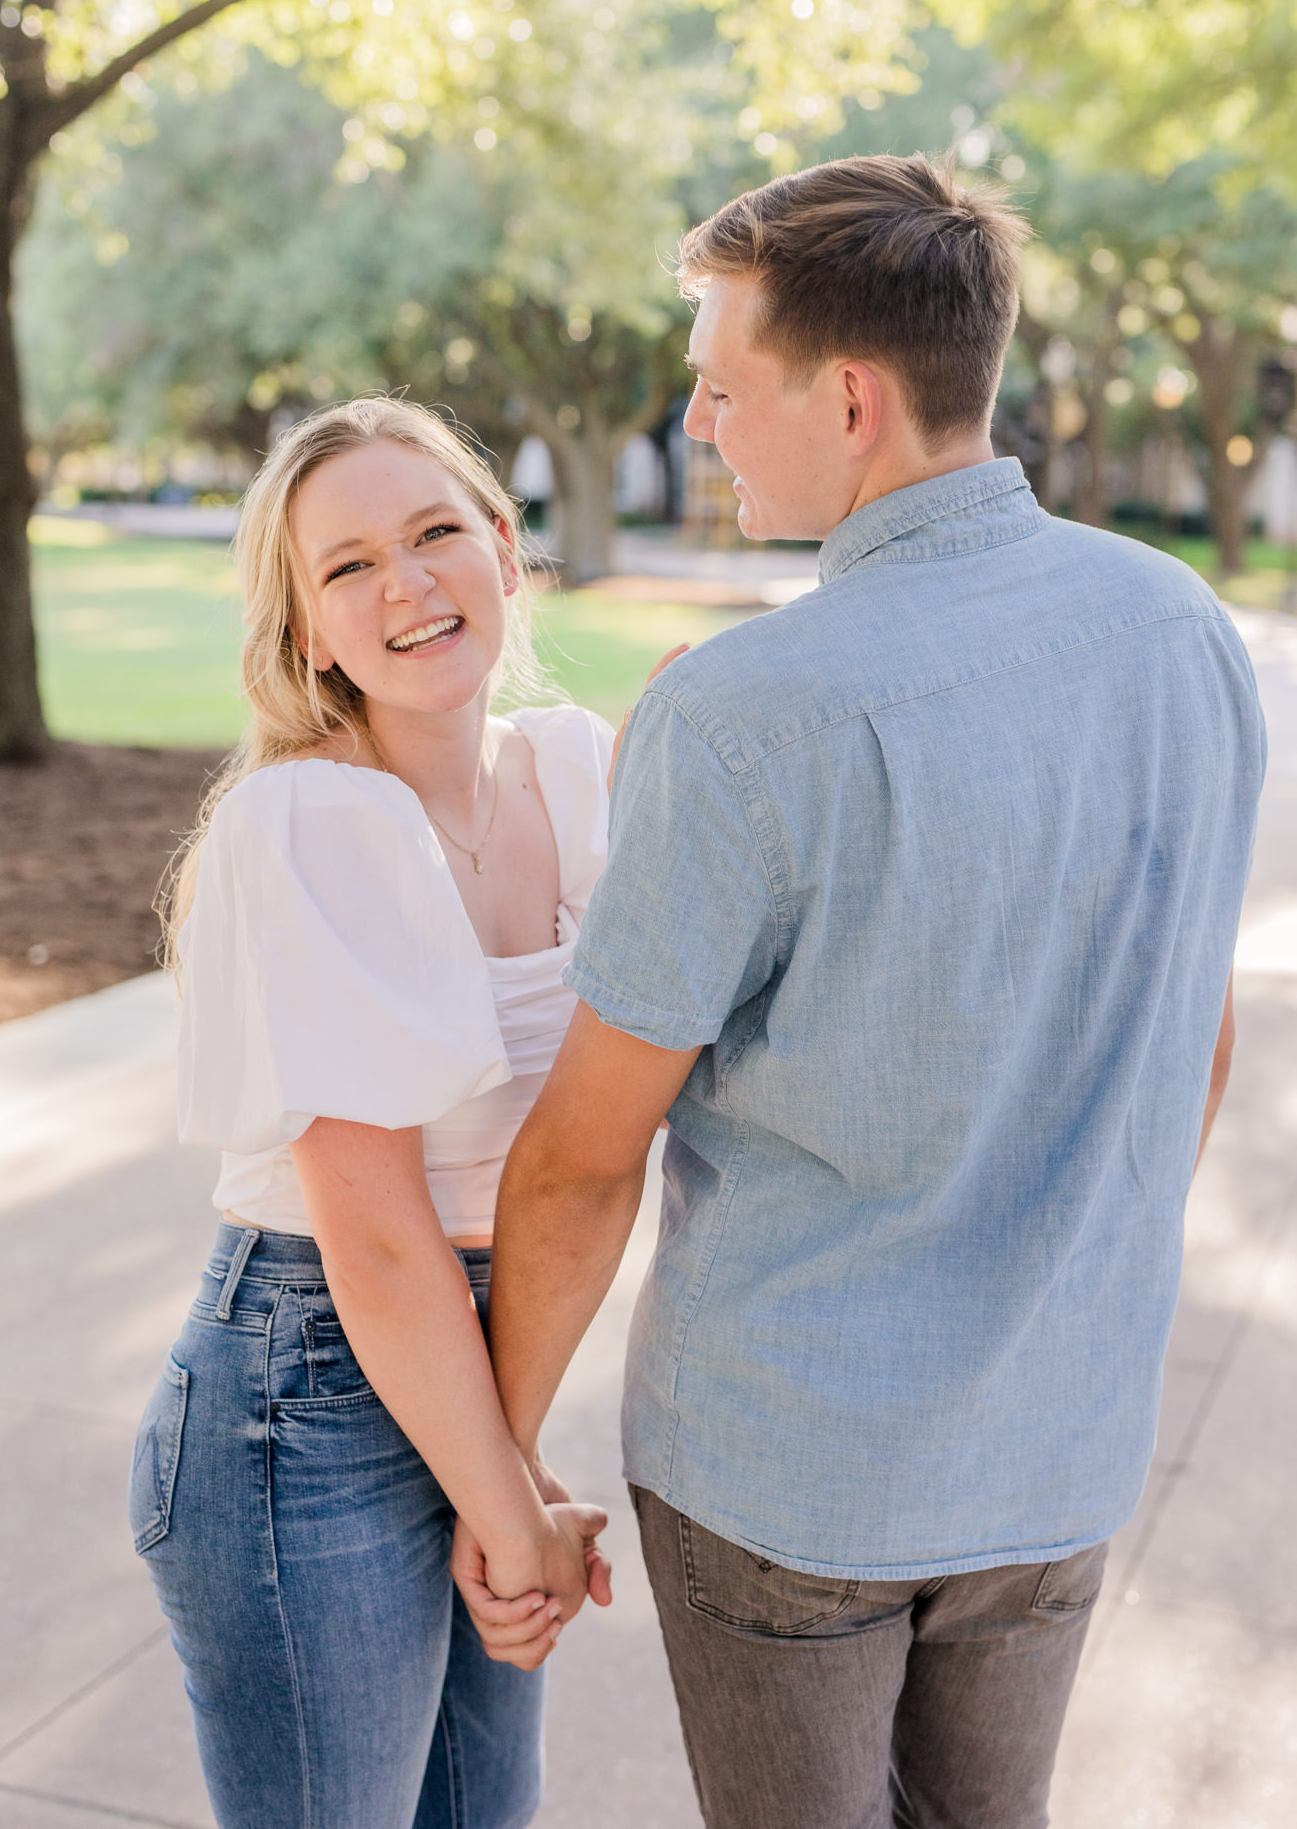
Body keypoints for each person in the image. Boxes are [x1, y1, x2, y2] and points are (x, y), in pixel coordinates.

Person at [456, 155, 1266, 1829]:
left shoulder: (746, 714)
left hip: (782, 1476)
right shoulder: (1181, 629)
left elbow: (586, 1154)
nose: (695, 424)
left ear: (847, 397)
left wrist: (501, 1468)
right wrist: (1054, 1292)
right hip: (1058, 1450)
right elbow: (1197, 1025)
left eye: (718, 386)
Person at [131, 398, 612, 1829]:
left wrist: (507, 1464)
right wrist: (512, 1512)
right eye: (343, 568)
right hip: (301, 1402)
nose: (402, 586)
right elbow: (382, 1244)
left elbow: (583, 1159)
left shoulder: (574, 777)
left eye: (432, 532)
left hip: (468, 1370)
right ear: (304, 635)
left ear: (505, 551)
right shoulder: (308, 824)